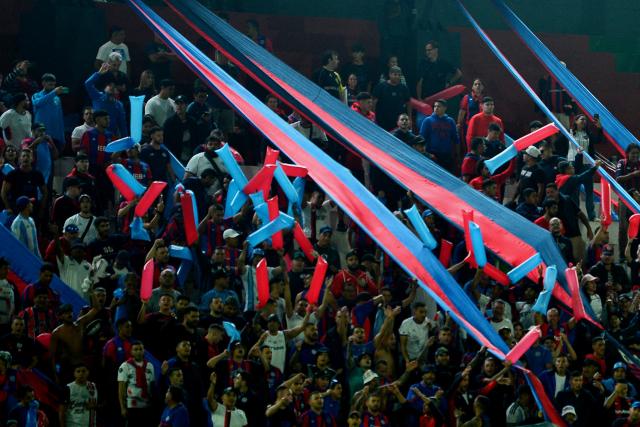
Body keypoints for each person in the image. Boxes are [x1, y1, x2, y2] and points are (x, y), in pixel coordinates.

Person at [117, 340, 155, 425]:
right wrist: (123, 408)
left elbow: (151, 387)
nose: (138, 351)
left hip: (146, 405)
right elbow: (121, 389)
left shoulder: (150, 366)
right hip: (132, 406)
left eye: (140, 349)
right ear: (131, 351)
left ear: (144, 351)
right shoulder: (125, 366)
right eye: (135, 349)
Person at [85, 64, 127, 137]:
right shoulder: (97, 96)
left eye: (114, 86)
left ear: (117, 91)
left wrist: (126, 144)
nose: (111, 87)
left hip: (111, 139)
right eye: (109, 85)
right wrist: (99, 73)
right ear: (104, 88)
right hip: (95, 136)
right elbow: (88, 84)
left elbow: (122, 126)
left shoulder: (119, 105)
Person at [419, 98, 459, 173]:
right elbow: (422, 138)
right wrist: (425, 153)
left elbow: (455, 139)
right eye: (435, 106)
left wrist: (457, 155)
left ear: (445, 108)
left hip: (447, 154)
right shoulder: (428, 120)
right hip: (432, 154)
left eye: (439, 106)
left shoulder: (450, 121)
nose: (436, 108)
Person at [31, 73, 65, 149]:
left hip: (55, 135)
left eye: (53, 85)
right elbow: (38, 103)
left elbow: (60, 118)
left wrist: (62, 137)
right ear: (43, 83)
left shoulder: (57, 98)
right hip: (40, 134)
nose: (52, 87)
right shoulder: (36, 95)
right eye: (50, 85)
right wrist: (54, 93)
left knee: (54, 159)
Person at [59, 363, 99, 427]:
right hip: (72, 424)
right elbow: (62, 411)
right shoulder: (68, 388)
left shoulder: (93, 386)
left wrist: (95, 406)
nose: (81, 373)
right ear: (74, 373)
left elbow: (100, 405)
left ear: (88, 372)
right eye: (78, 371)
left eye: (83, 371)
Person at [372, 65, 410, 131]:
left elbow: (408, 103)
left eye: (399, 75)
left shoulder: (404, 88)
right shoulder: (381, 86)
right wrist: (373, 116)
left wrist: (409, 118)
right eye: (395, 74)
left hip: (398, 121)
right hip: (382, 120)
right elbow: (374, 102)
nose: (397, 77)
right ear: (390, 74)